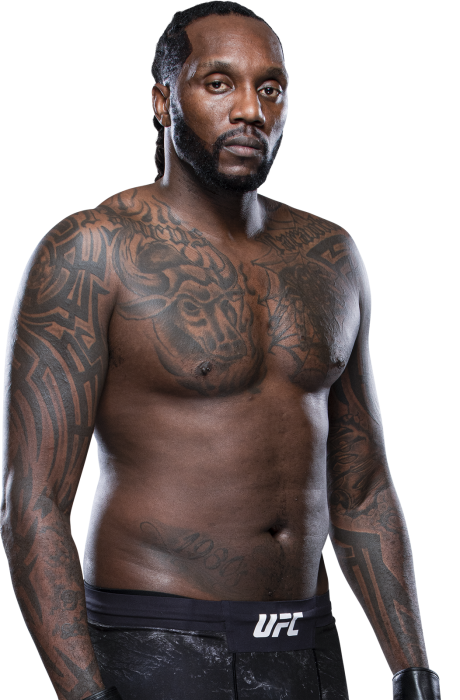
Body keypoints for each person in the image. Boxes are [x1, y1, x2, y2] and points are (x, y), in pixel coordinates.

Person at [0, 2, 441, 699]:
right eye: (218, 83)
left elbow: (361, 485)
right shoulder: (92, 250)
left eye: (271, 88)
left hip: (310, 647)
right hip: (157, 644)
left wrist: (412, 667)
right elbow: (35, 504)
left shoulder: (329, 256)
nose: (250, 111)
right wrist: (83, 694)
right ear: (163, 101)